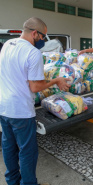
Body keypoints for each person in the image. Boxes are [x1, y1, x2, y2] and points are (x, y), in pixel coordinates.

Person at [0, 17, 70, 185]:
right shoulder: (33, 53)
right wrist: (56, 80)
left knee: (9, 148)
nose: (43, 41)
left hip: (3, 107)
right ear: (34, 33)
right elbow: (35, 87)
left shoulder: (7, 45)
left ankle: (12, 181)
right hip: (21, 111)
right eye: (42, 36)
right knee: (27, 151)